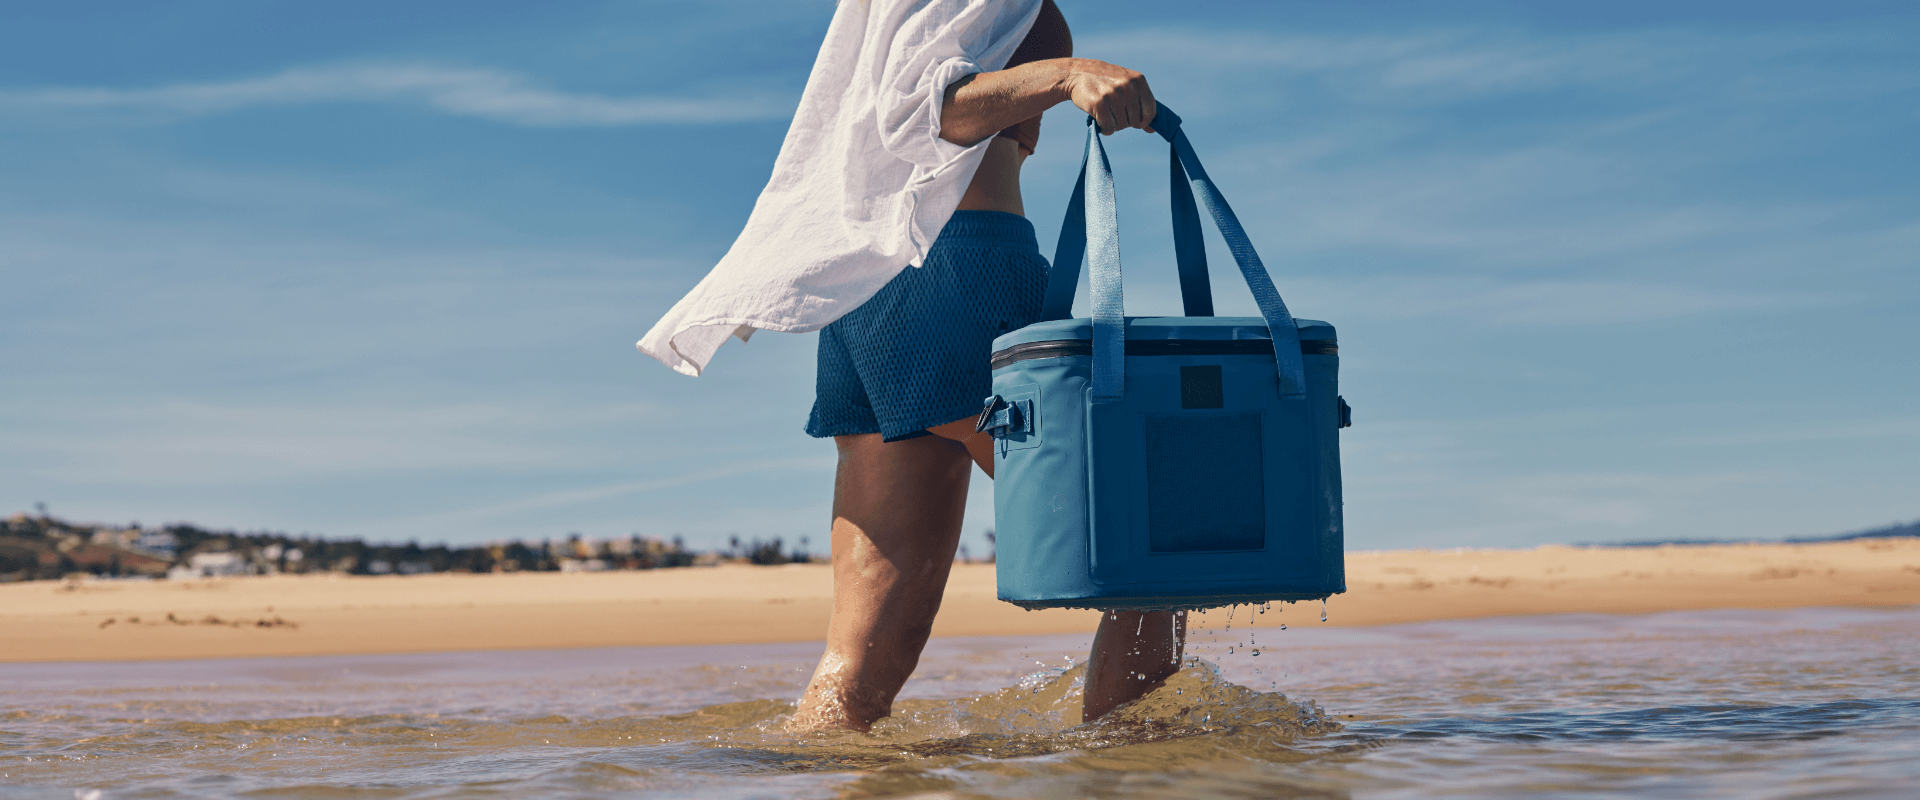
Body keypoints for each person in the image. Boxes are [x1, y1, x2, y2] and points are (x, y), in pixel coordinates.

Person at [638, 0, 1183, 732]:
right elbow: (923, 114)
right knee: (1154, 551)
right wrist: (1066, 74)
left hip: (867, 286)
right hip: (960, 272)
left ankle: (798, 772)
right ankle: (1139, 775)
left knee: (860, 669)